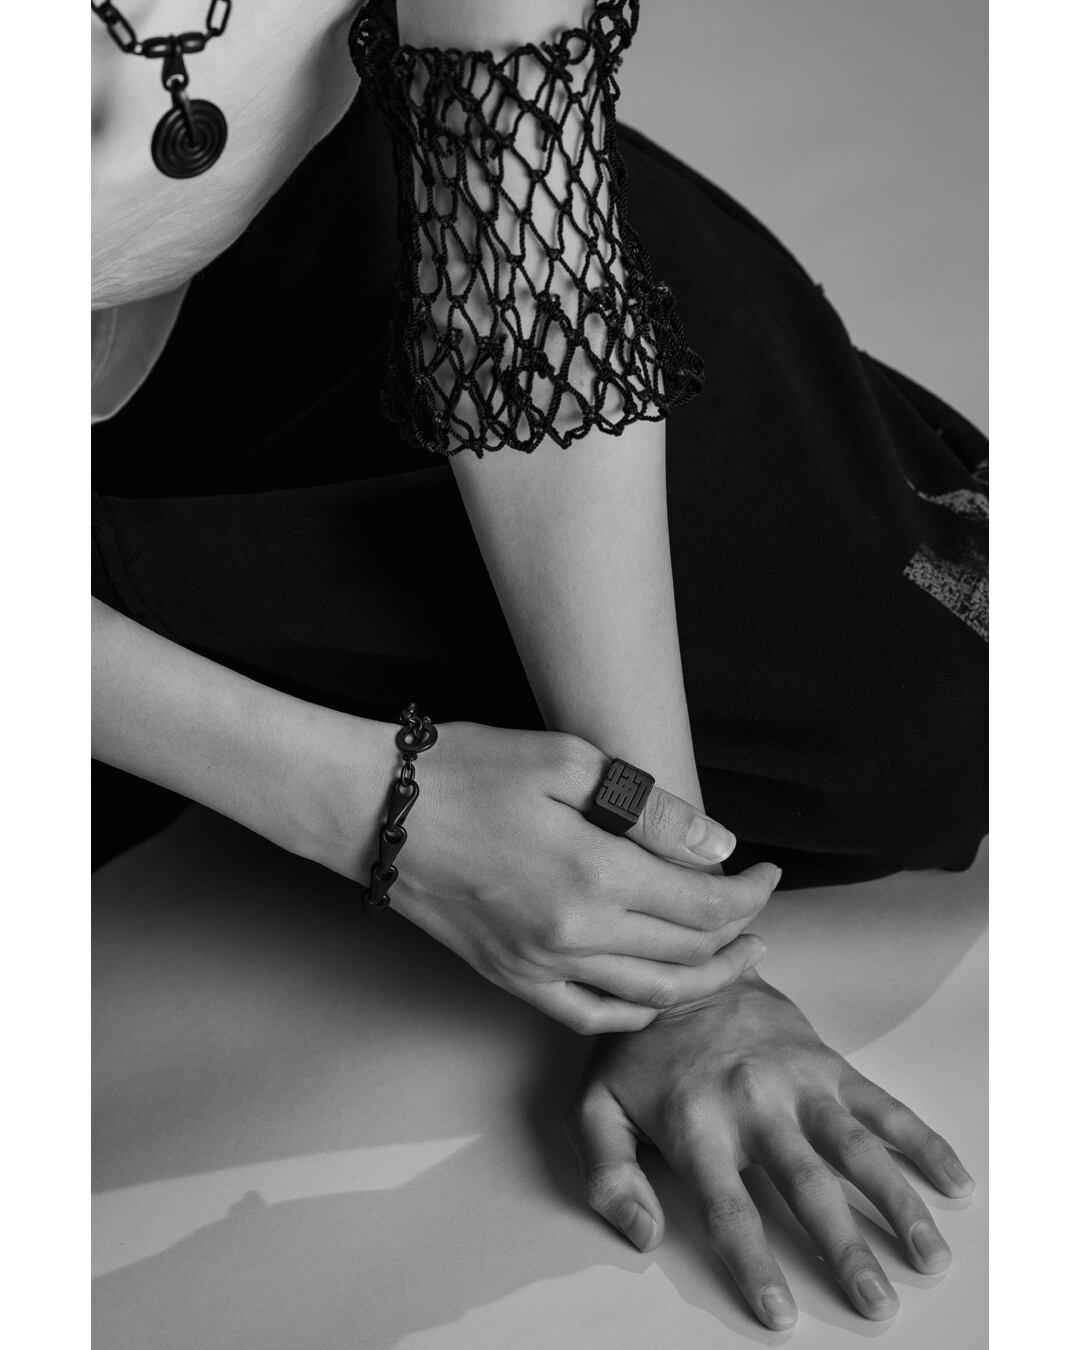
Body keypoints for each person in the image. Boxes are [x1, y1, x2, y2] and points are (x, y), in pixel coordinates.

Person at [91, 0, 986, 1332]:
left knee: (920, 719)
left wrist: (680, 955)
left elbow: (526, 279)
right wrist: (378, 807)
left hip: (341, 240)